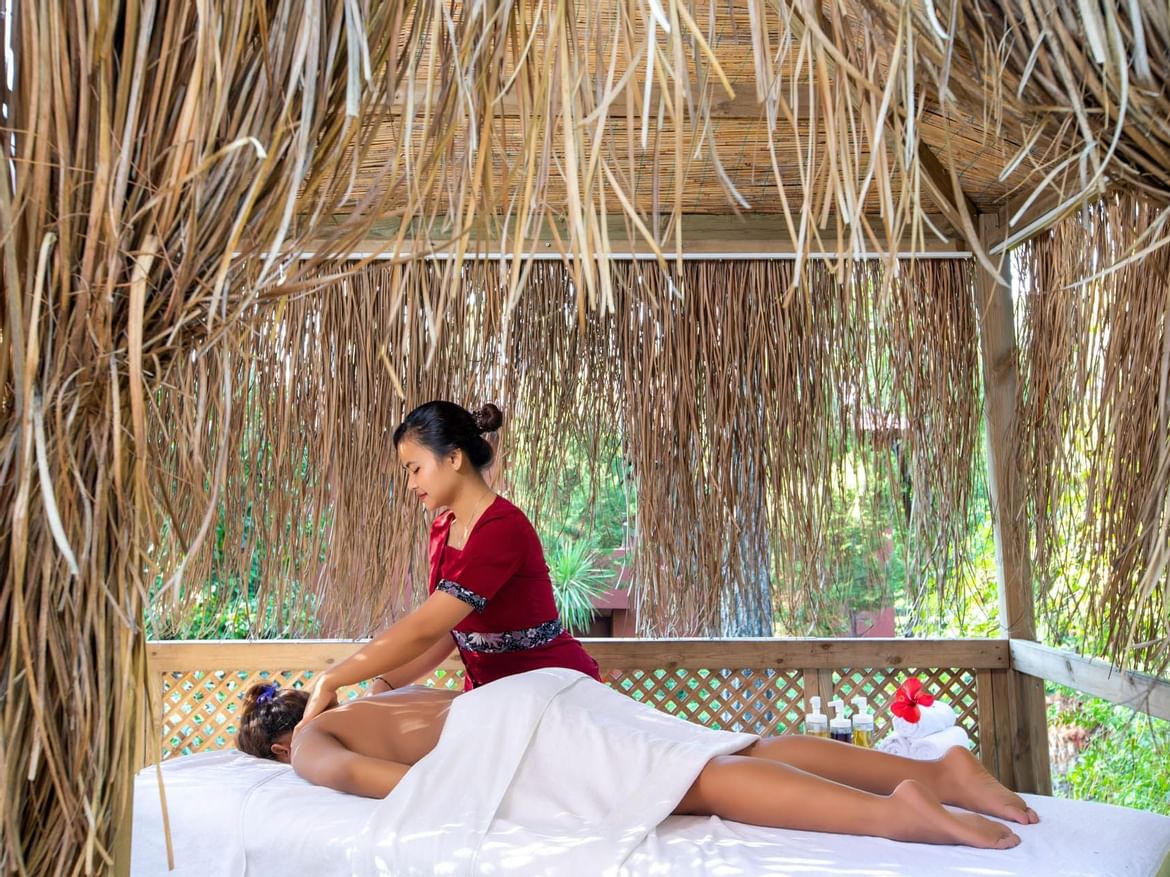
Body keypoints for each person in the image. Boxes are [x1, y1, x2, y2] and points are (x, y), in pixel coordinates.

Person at [238, 679, 1037, 850]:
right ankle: (943, 773)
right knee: (725, 746)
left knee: (695, 780)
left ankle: (895, 812)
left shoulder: (309, 741)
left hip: (516, 736)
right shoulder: (379, 691)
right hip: (541, 693)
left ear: (276, 744)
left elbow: (388, 783)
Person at [297, 400, 600, 728]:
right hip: (492, 701)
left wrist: (332, 678)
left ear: (454, 458)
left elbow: (423, 630)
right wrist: (383, 687)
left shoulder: (501, 527)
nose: (411, 484)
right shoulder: (442, 530)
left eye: (416, 469)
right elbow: (445, 633)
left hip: (551, 694)